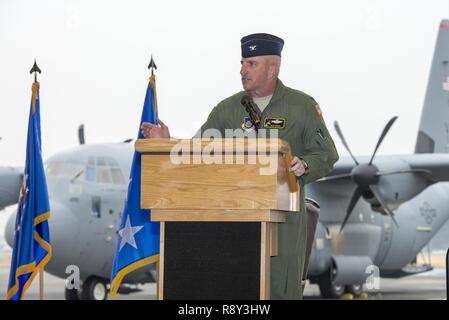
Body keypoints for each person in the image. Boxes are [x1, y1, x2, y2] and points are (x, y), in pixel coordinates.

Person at [141, 33, 339, 299]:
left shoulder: (301, 106)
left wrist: (305, 164)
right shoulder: (228, 109)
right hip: (231, 226)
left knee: (278, 289)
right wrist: (168, 143)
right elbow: (199, 153)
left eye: (251, 64)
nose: (242, 70)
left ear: (272, 68)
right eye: (242, 62)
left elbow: (326, 153)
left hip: (283, 224)